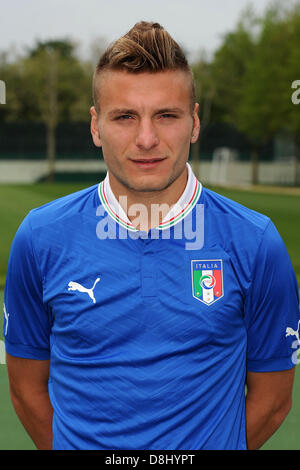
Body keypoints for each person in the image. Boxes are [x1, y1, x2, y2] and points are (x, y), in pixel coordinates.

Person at [3, 21, 300, 451]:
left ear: (194, 123)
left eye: (166, 115)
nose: (147, 139)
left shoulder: (255, 242)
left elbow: (272, 401)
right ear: (95, 126)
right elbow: (26, 390)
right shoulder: (39, 237)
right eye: (124, 116)